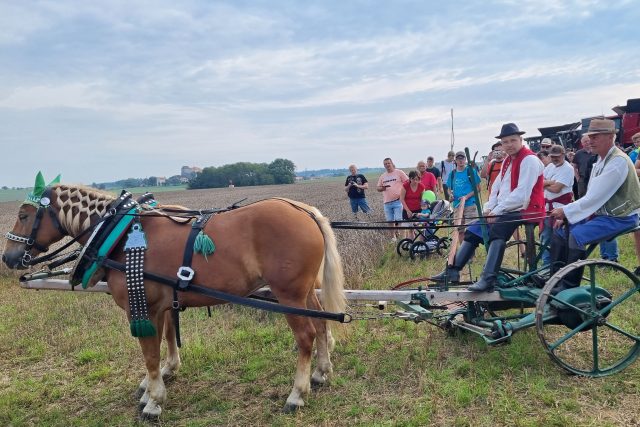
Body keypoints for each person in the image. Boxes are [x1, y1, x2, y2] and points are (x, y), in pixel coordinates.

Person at [432, 123, 545, 292]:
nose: (509, 145)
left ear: (521, 140)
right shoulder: (508, 160)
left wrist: (497, 211)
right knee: (474, 229)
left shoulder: (529, 160)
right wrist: (488, 208)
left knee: (498, 230)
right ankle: (453, 272)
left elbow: (522, 194)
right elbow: (497, 188)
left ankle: (488, 278)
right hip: (508, 208)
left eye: (513, 140)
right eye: (505, 142)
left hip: (526, 209)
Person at [549, 119, 640, 293]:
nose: (590, 140)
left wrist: (566, 211)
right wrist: (567, 215)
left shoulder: (617, 161)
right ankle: (555, 278)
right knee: (560, 230)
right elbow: (592, 196)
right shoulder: (600, 160)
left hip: (622, 217)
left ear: (611, 137)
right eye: (590, 136)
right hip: (604, 214)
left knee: (577, 236)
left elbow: (594, 198)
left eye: (595, 136)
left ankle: (568, 287)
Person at [540, 145, 574, 266]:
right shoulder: (549, 167)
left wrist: (544, 184)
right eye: (552, 156)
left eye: (557, 157)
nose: (554, 159)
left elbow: (556, 189)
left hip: (561, 208)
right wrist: (549, 182)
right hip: (547, 208)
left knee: (559, 238)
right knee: (545, 237)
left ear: (563, 155)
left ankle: (560, 264)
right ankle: (546, 265)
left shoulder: (568, 169)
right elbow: (538, 182)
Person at [447, 151, 481, 242]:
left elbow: (478, 188)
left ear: (465, 160)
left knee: (471, 229)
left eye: (462, 158)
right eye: (458, 159)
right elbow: (449, 188)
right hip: (457, 205)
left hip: (470, 205)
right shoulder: (452, 174)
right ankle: (463, 252)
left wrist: (466, 197)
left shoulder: (471, 171)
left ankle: (471, 253)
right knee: (459, 230)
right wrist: (450, 195)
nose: (461, 161)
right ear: (455, 161)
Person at [377, 158, 409, 241]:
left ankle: (403, 239)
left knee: (399, 220)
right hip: (387, 202)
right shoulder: (383, 176)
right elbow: (378, 187)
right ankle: (393, 238)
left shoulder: (399, 172)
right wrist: (382, 188)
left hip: (398, 201)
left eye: (388, 163)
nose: (387, 165)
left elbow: (407, 182)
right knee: (390, 222)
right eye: (385, 164)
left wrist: (404, 193)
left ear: (392, 163)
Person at [400, 171, 426, 237]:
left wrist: (423, 210)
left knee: (421, 229)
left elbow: (423, 200)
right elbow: (402, 199)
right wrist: (408, 211)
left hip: (418, 210)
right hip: (407, 210)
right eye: (414, 179)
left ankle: (421, 244)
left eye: (417, 179)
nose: (415, 181)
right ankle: (411, 244)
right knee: (410, 229)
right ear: (410, 179)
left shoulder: (421, 187)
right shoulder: (405, 186)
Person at [572, 135, 597, 199]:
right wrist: (578, 179)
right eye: (585, 141)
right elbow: (574, 167)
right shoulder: (578, 153)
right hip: (582, 180)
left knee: (594, 197)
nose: (587, 143)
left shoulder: (596, 152)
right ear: (582, 143)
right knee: (583, 198)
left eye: (588, 141)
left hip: (595, 178)